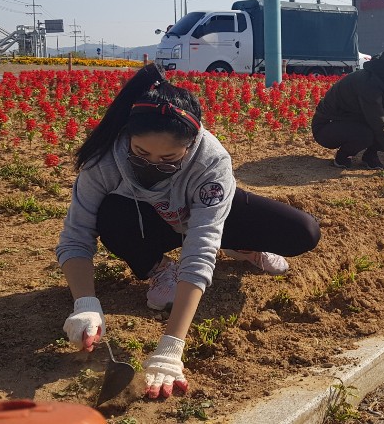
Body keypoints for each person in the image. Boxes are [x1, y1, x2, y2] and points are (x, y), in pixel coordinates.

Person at [56, 64, 320, 400]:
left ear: (191, 144)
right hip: (147, 221)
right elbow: (76, 236)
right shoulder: (104, 159)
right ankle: (158, 268)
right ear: (127, 136)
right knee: (110, 213)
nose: (153, 164)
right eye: (141, 153)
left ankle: (240, 245)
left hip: (203, 211)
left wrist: (170, 347)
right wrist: (85, 303)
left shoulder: (211, 161)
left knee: (302, 232)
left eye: (168, 157)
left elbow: (200, 247)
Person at [311, 44, 384, 179]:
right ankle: (343, 156)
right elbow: (378, 125)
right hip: (327, 127)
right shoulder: (369, 83)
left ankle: (370, 155)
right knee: (365, 134)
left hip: (352, 121)